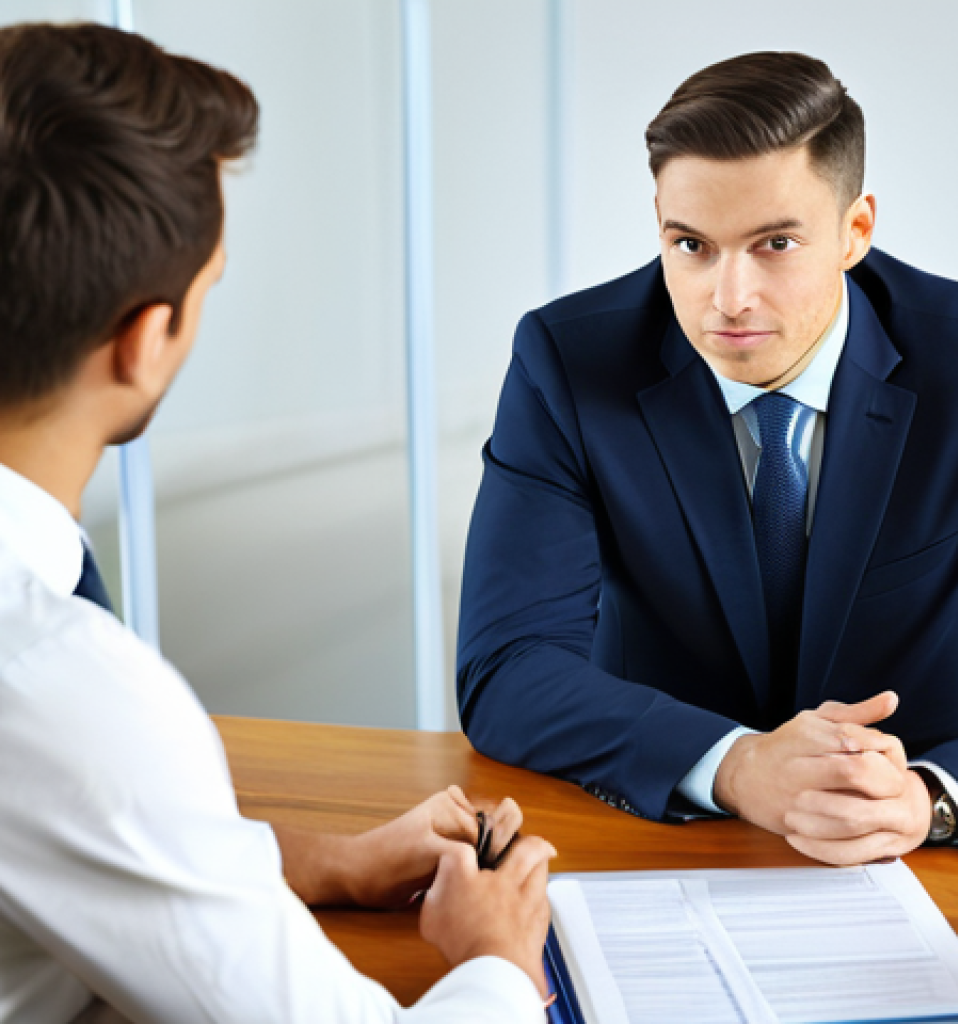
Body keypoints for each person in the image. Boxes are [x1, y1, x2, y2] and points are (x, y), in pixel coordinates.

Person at [0, 21, 555, 1024]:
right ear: (147, 339)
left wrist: (327, 863)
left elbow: (54, 825)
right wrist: (497, 958)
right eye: (207, 291)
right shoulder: (61, 688)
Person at [457, 50, 958, 865]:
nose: (728, 299)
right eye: (691, 244)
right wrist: (735, 765)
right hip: (659, 820)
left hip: (916, 828)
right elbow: (507, 666)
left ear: (855, 230)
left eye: (775, 244)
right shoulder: (567, 362)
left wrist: (932, 799)